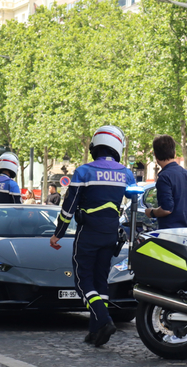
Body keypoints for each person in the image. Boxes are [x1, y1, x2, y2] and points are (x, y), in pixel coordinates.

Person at [50, 125, 136, 347]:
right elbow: (136, 199)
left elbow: (69, 207)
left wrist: (58, 233)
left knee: (83, 281)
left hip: (88, 233)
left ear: (94, 146)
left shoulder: (84, 171)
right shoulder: (125, 173)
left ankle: (105, 321)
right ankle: (95, 332)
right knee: (101, 281)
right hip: (111, 234)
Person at [144, 135, 187, 228]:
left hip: (169, 234)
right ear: (174, 153)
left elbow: (166, 209)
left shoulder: (164, 177)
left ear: (155, 155)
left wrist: (151, 212)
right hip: (186, 234)